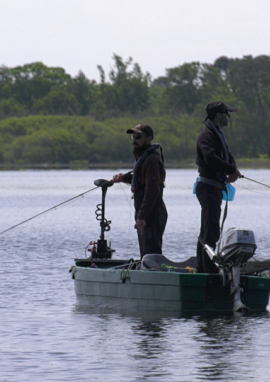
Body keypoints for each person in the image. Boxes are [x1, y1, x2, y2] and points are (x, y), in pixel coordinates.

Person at [195, 101, 242, 273]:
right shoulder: (206, 135)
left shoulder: (218, 134)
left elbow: (227, 155)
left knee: (208, 228)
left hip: (214, 188)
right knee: (211, 229)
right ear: (218, 115)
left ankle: (203, 265)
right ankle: (207, 268)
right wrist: (230, 170)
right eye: (226, 113)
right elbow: (210, 158)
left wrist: (233, 169)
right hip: (207, 188)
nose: (229, 117)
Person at [112, 124, 167, 259]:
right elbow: (141, 180)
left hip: (152, 213)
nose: (134, 140)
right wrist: (123, 178)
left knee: (152, 255)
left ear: (149, 139)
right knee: (145, 255)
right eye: (133, 137)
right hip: (145, 212)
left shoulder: (152, 159)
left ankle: (154, 278)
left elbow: (152, 190)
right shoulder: (142, 158)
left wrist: (141, 216)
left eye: (139, 137)